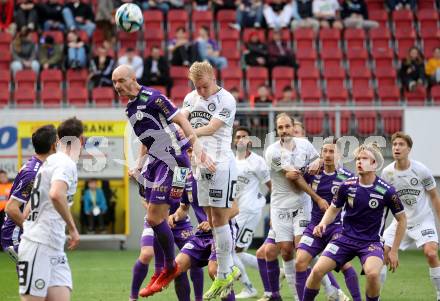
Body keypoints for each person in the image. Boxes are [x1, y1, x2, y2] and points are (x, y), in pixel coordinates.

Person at [112, 64, 214, 295]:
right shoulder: (130, 109)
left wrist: (197, 149)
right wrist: (139, 164)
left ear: (133, 78)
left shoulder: (154, 97)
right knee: (157, 218)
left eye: (120, 80)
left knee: (155, 216)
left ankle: (168, 266)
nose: (117, 86)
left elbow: (182, 121)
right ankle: (166, 266)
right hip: (157, 162)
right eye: (114, 82)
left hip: (173, 158)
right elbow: (147, 141)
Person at [302, 143, 407, 301]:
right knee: (317, 271)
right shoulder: (347, 185)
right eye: (358, 158)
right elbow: (333, 209)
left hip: (370, 242)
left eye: (364, 158)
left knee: (372, 274)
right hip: (344, 238)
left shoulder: (387, 190)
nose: (359, 161)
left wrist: (393, 250)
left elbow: (402, 219)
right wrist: (322, 223)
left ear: (374, 164)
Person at [181, 61, 240, 299]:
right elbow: (181, 119)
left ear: (212, 78)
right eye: (197, 87)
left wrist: (187, 133)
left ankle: (225, 270)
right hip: (199, 164)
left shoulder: (227, 99)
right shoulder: (190, 97)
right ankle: (226, 271)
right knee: (211, 219)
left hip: (220, 163)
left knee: (221, 218)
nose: (201, 91)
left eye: (204, 86)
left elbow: (213, 127)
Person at [18, 117, 83, 301]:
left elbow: (28, 209)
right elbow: (55, 194)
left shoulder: (50, 161)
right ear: (80, 140)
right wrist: (72, 228)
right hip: (39, 244)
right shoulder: (65, 163)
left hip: (54, 244)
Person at [264, 113, 325, 300]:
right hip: (280, 206)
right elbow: (294, 178)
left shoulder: (305, 145)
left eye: (287, 126)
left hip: (301, 205)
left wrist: (318, 161)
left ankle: (321, 291)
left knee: (303, 249)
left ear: (293, 127)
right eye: (280, 128)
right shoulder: (273, 152)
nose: (284, 131)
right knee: (286, 251)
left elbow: (320, 159)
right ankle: (299, 295)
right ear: (277, 130)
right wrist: (317, 198)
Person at [295, 138, 359, 301]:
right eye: (325, 151)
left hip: (337, 228)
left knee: (344, 264)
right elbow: (295, 177)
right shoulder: (313, 173)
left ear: (339, 155)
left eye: (332, 151)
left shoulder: (347, 177)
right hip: (314, 227)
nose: (328, 155)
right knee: (300, 262)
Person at [381, 132, 440, 300]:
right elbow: (384, 203)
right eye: (394, 145)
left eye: (401, 145)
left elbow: (434, 196)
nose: (397, 148)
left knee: (431, 253)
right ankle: (374, 296)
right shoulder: (387, 173)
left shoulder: (421, 170)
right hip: (400, 223)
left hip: (422, 220)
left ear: (409, 149)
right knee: (381, 253)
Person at [1, 125, 57, 262]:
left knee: (33, 278)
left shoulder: (39, 166)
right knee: (40, 276)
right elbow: (11, 208)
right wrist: (31, 230)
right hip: (15, 234)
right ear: (53, 146)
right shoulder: (33, 172)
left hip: (21, 231)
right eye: (58, 141)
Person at [232, 127, 272, 299]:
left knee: (231, 251)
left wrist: (274, 211)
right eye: (238, 137)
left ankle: (249, 288)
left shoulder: (257, 161)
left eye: (244, 137)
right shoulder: (231, 161)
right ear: (234, 141)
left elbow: (272, 187)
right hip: (235, 212)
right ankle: (277, 271)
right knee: (237, 252)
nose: (240, 139)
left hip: (250, 211)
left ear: (250, 141)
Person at [0, 169, 12, 245]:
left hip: (8, 211)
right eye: (1, 177)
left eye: (4, 176)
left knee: (8, 228)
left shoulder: (11, 185)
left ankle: (8, 243)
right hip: (0, 211)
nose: (3, 178)